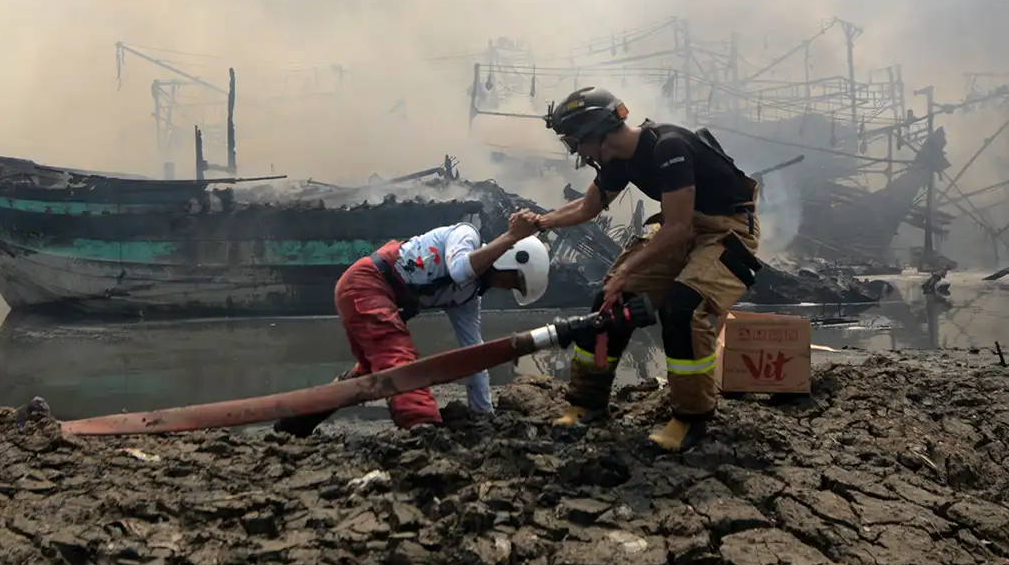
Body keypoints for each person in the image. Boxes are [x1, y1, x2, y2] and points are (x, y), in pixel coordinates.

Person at [519, 86, 763, 452]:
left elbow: (678, 227)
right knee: (608, 301)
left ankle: (691, 418)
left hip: (726, 230)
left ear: (593, 131)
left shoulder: (669, 148)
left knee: (682, 308)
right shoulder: (620, 161)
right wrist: (540, 222)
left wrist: (626, 270)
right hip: (683, 228)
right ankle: (587, 402)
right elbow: (586, 208)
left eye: (574, 143)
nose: (578, 154)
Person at [274, 212, 549, 436]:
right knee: (398, 360)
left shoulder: (467, 297)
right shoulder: (465, 236)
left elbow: (473, 356)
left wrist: (484, 417)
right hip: (366, 283)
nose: (504, 287)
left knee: (370, 375)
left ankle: (295, 422)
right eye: (512, 280)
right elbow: (459, 269)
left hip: (380, 296)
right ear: (511, 257)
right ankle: (422, 428)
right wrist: (512, 235)